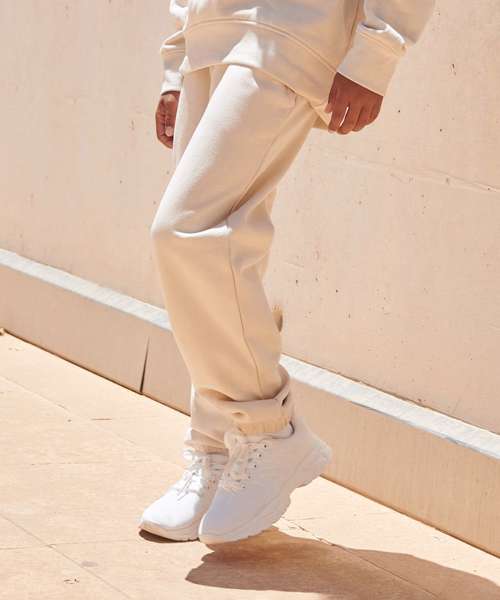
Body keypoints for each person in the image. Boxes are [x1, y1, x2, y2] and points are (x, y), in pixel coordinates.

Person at [139, 0, 435, 544]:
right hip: (211, 30)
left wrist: (375, 51)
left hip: (289, 26)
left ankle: (270, 430)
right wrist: (177, 61)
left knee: (187, 233)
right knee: (219, 261)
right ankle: (215, 446)